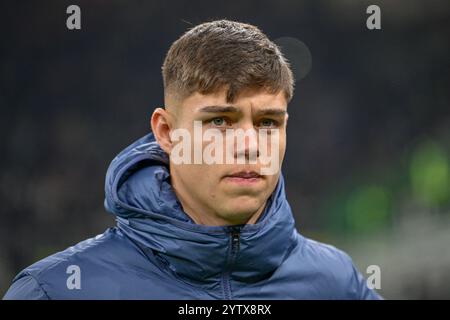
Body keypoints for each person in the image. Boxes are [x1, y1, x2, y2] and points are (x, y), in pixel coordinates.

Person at [3, 19, 381, 299]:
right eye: (220, 120)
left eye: (268, 122)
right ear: (166, 132)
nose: (250, 145)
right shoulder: (55, 291)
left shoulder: (337, 283)